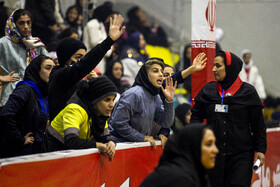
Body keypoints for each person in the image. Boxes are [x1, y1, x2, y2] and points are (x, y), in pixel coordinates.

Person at [191, 51, 267, 187]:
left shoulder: (248, 92)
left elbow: (258, 126)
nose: (214, 69)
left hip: (241, 156)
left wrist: (261, 150)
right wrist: (198, 139)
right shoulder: (208, 90)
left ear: (229, 68)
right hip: (213, 155)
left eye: (218, 66)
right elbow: (195, 116)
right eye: (213, 65)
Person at [48, 14, 125, 122]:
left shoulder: (77, 80)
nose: (80, 61)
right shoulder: (59, 75)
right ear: (66, 57)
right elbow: (83, 65)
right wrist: (108, 41)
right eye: (77, 57)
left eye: (83, 57)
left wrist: (92, 83)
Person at [109, 58, 176, 147]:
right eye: (155, 71)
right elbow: (118, 123)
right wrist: (142, 137)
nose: (161, 75)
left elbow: (165, 123)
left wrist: (169, 101)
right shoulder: (133, 94)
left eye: (161, 71)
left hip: (135, 147)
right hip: (118, 146)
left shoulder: (156, 97)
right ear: (145, 75)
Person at [46, 76, 117, 161]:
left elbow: (106, 137)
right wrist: (98, 145)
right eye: (107, 100)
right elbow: (72, 141)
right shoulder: (74, 109)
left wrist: (112, 143)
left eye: (113, 99)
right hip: (51, 154)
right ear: (95, 100)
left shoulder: (99, 113)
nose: (112, 105)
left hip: (68, 157)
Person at [0, 55, 55, 158]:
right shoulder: (25, 89)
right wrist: (19, 139)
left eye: (53, 69)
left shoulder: (44, 92)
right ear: (36, 70)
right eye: (48, 68)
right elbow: (6, 114)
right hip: (18, 153)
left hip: (36, 151)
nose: (52, 72)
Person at [140, 123, 219, 187]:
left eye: (214, 144)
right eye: (208, 144)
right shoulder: (179, 179)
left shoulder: (198, 173)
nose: (216, 150)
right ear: (194, 146)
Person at [0, 9, 48, 111]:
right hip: (11, 93)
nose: (26, 27)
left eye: (28, 22)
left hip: (33, 94)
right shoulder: (4, 43)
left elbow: (49, 64)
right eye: (21, 23)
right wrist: (1, 78)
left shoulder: (35, 43)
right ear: (13, 24)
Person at [83, 2, 116, 73]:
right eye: (109, 16)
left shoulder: (100, 24)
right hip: (92, 62)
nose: (109, 19)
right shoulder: (93, 24)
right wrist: (111, 49)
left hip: (98, 62)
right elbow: (97, 44)